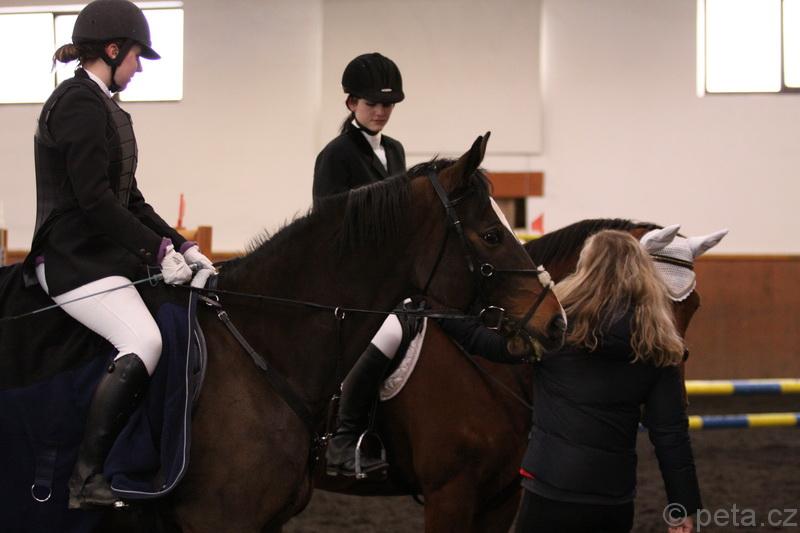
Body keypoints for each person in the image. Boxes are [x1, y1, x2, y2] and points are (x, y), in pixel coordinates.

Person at [22, 0, 215, 508]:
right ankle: (85, 478)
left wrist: (182, 244)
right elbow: (94, 201)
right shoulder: (78, 105)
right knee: (143, 340)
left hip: (98, 254)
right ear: (112, 50)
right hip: (70, 258)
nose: (138, 68)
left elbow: (132, 200)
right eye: (135, 57)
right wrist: (156, 251)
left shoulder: (103, 105)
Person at [515, 230, 700, 533]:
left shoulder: (553, 329)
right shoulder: (660, 347)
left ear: (585, 268)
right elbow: (671, 436)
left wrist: (447, 321)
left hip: (549, 488)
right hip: (613, 499)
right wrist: (683, 507)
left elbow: (492, 348)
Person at [313, 52, 406, 203]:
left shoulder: (395, 149)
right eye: (371, 104)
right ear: (352, 103)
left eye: (387, 104)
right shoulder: (335, 153)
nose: (380, 112)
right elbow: (327, 214)